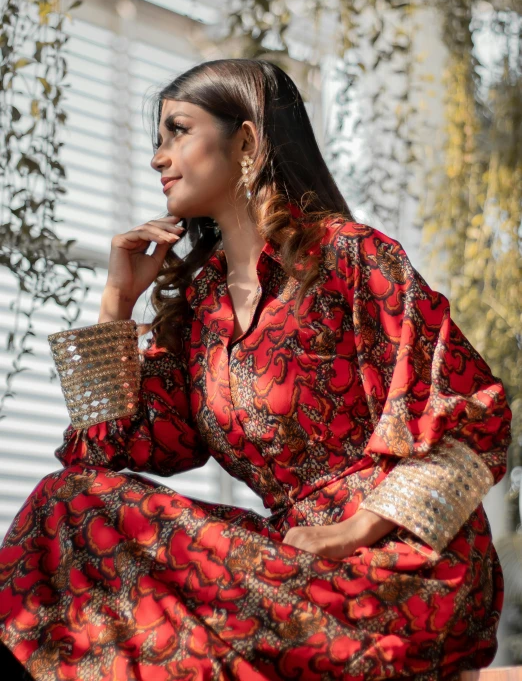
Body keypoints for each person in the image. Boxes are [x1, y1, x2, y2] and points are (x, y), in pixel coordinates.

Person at [0, 59, 512, 681]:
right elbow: (98, 463)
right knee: (71, 511)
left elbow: (468, 421)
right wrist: (116, 308)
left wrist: (350, 532)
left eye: (176, 132)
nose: (158, 158)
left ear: (245, 141)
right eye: (156, 141)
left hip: (401, 566)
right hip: (286, 564)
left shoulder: (349, 256)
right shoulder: (201, 309)